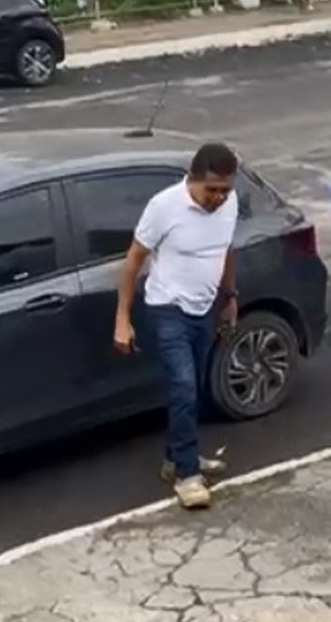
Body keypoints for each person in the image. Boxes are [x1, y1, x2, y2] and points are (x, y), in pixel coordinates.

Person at [113, 143, 240, 509]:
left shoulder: (229, 203)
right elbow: (134, 260)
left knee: (194, 387)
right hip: (168, 307)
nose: (217, 198)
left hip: (204, 307)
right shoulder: (164, 206)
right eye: (211, 190)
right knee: (183, 386)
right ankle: (187, 475)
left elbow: (227, 249)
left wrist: (230, 296)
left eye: (224, 191)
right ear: (193, 179)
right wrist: (122, 318)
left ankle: (176, 458)